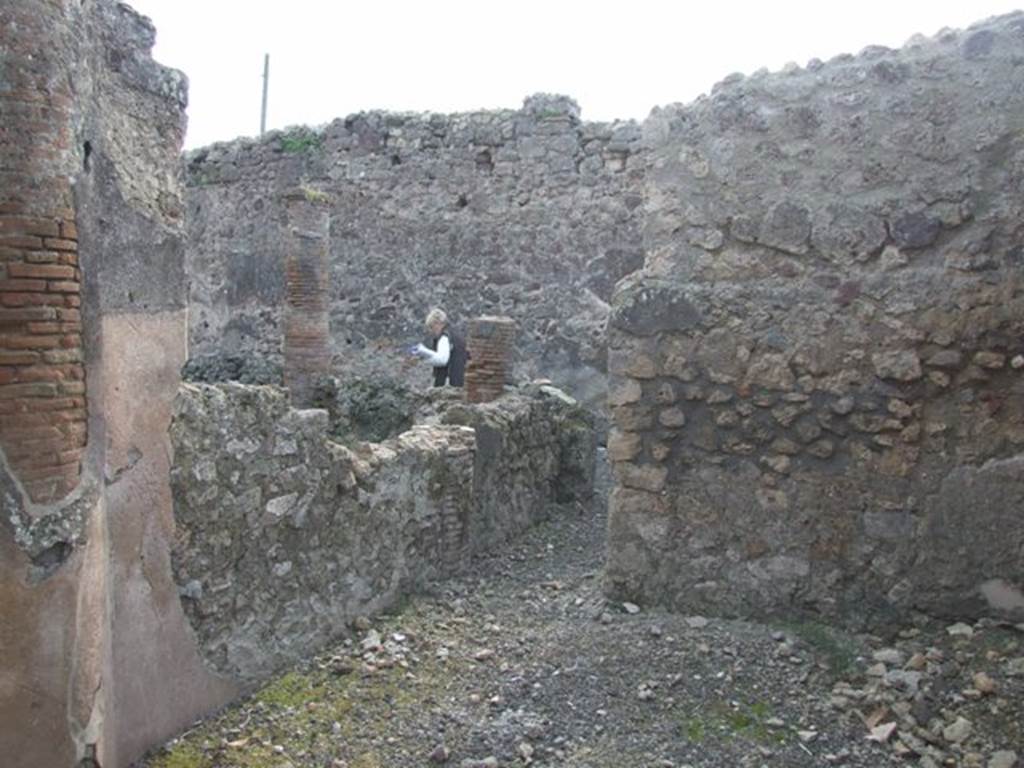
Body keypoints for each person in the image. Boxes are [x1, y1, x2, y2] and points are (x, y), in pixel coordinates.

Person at [410, 308, 468, 387]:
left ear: (438, 323)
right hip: (460, 379)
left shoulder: (445, 337)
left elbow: (442, 360)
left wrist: (423, 352)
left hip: (450, 382)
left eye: (431, 327)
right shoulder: (456, 334)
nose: (431, 331)